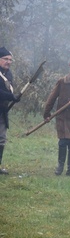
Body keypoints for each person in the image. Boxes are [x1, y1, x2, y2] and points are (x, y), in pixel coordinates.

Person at [0, 47, 20, 175]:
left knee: (1, 139)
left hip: (2, 111)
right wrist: (11, 96)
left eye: (10, 60)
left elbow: (8, 91)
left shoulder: (9, 74)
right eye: (6, 59)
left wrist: (15, 97)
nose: (8, 62)